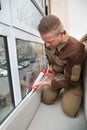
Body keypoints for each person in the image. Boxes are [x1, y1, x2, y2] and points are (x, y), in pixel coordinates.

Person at [33, 14, 85, 118]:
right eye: (44, 41)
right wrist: (51, 67)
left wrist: (46, 83)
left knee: (69, 111)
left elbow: (71, 81)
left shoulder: (75, 50)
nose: (46, 45)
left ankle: (67, 91)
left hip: (71, 80)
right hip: (58, 74)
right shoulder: (49, 42)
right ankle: (58, 85)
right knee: (46, 99)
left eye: (49, 41)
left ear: (61, 34)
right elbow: (50, 57)